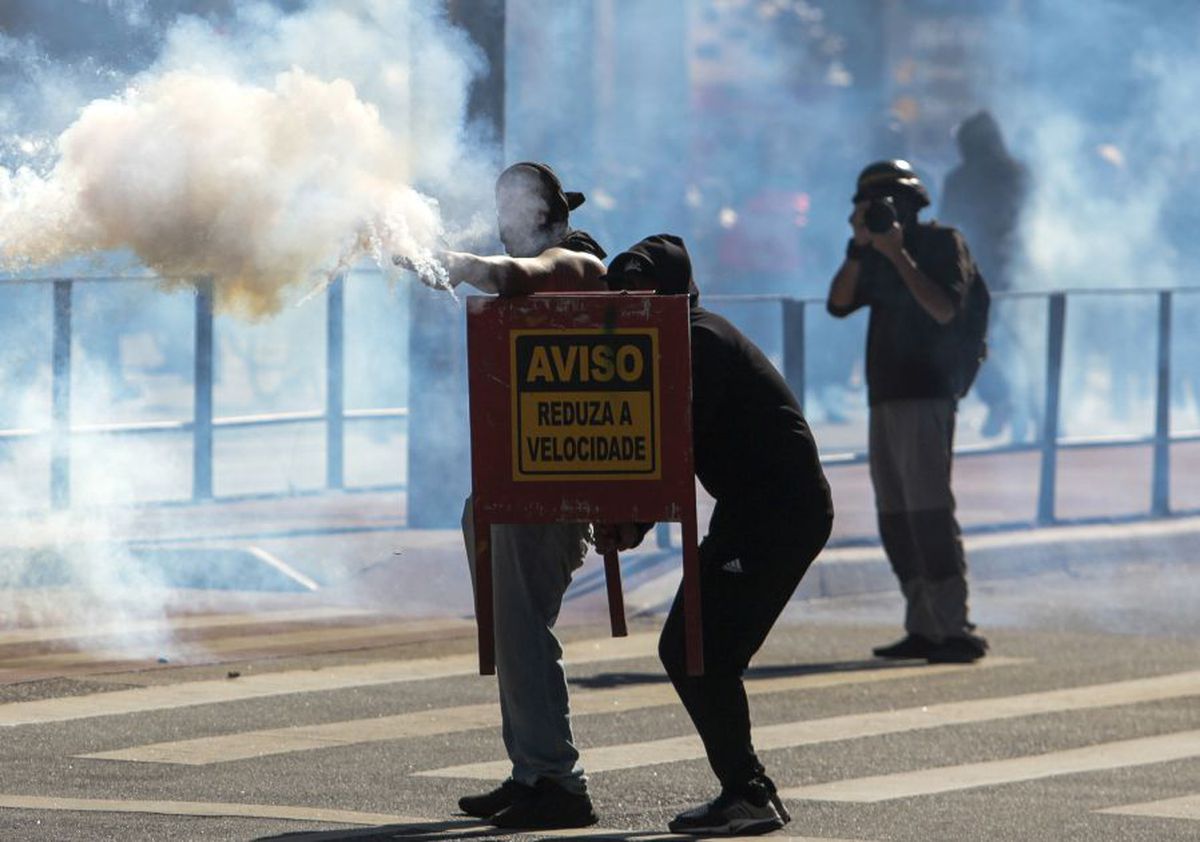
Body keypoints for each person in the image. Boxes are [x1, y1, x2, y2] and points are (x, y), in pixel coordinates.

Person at [596, 234, 833, 837]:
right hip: (753, 509)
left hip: (777, 512)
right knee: (697, 651)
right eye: (616, 289)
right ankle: (748, 791)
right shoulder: (669, 339)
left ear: (672, 292)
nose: (624, 300)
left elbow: (676, 442)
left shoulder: (696, 339)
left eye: (637, 288)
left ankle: (748, 794)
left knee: (696, 651)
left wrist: (635, 519)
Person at [438, 162, 607, 830]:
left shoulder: (578, 262)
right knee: (514, 634)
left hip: (552, 488)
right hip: (522, 482)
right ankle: (533, 771)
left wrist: (455, 262)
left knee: (524, 633)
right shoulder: (543, 265)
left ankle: (558, 781)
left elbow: (520, 276)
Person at [826, 160, 988, 664]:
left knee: (929, 512)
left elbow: (943, 309)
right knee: (896, 516)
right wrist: (859, 246)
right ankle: (923, 624)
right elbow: (838, 303)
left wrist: (897, 254)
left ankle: (954, 627)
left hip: (926, 391)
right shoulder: (870, 250)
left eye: (880, 204)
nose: (872, 213)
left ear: (911, 204)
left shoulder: (941, 243)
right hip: (885, 393)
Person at [940, 111, 1029, 438]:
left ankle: (1005, 399)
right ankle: (1023, 407)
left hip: (979, 270)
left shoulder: (960, 179)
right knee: (1014, 342)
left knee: (972, 339)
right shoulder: (1018, 174)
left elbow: (946, 224)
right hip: (1010, 267)